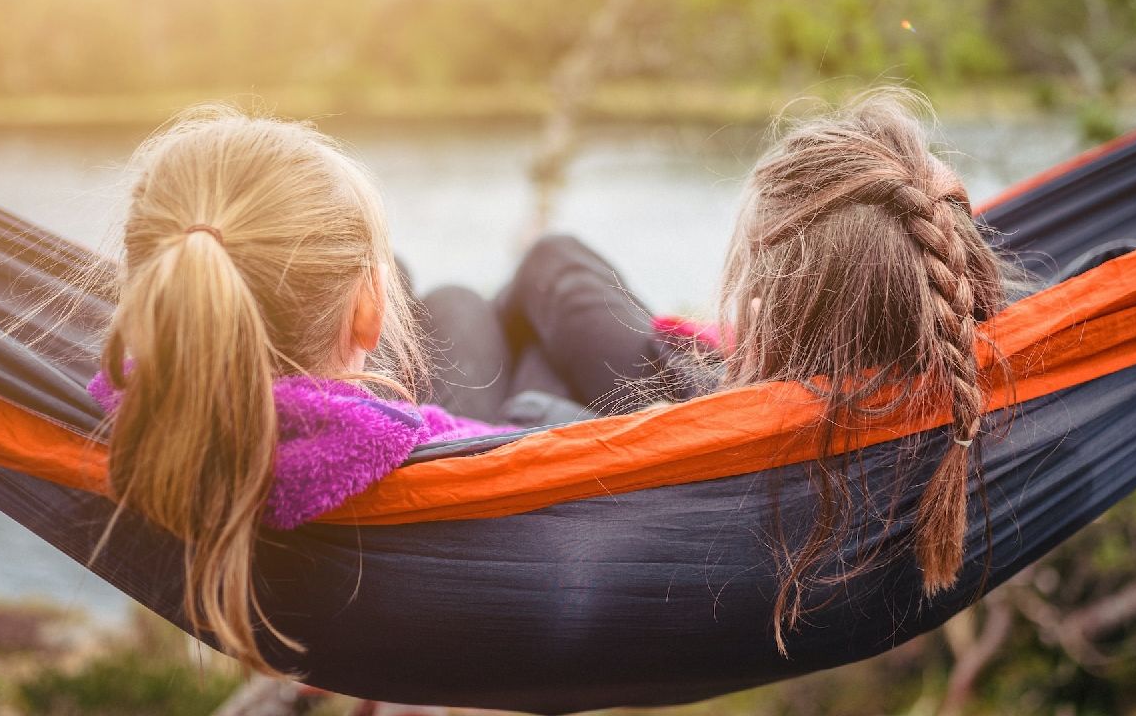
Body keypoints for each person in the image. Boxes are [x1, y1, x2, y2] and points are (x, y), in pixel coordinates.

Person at [489, 88, 1014, 647]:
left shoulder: (741, 471)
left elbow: (525, 413)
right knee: (549, 269)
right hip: (754, 401)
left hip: (695, 425)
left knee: (508, 289)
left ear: (766, 317)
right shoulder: (1009, 381)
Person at [86, 105, 512, 673]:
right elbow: (535, 447)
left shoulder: (133, 410)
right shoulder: (423, 443)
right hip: (498, 450)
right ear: (370, 311)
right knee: (508, 283)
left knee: (421, 281)